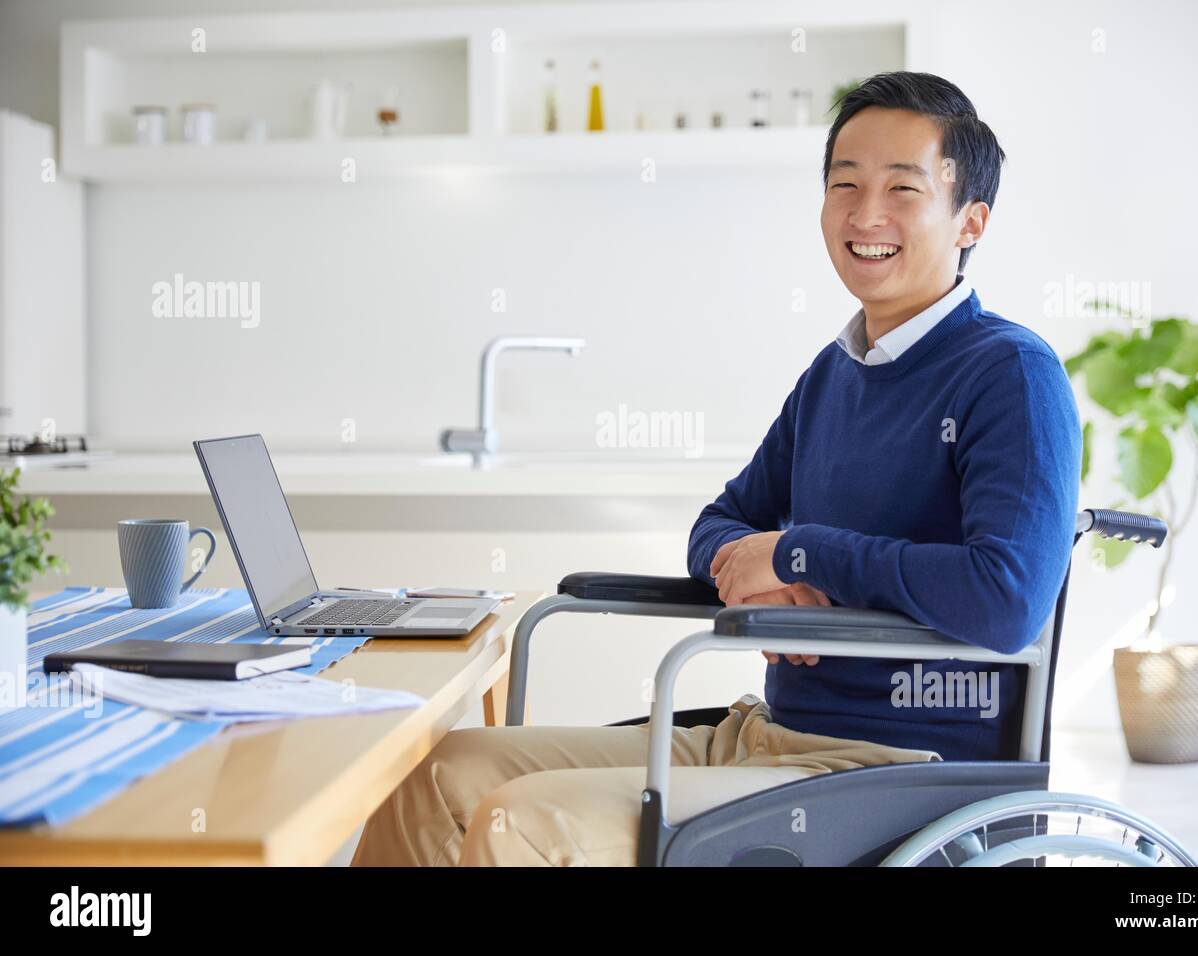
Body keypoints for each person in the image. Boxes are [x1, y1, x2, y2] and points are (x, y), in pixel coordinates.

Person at [351, 71, 1081, 867]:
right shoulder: (835, 375)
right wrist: (762, 570)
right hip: (764, 738)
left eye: (903, 189)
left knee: (521, 821)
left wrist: (802, 552)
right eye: (844, 184)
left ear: (970, 220)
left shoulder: (1009, 372)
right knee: (440, 772)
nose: (865, 214)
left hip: (896, 771)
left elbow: (1007, 597)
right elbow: (720, 524)